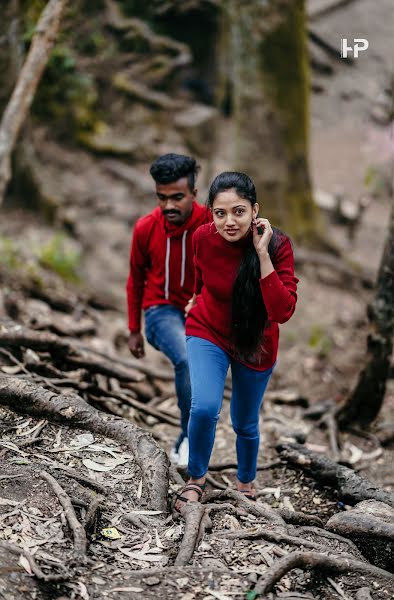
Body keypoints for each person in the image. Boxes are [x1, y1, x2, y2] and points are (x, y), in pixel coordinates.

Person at [175, 171, 298, 509]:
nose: (229, 221)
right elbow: (203, 275)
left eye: (239, 211)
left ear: (255, 210)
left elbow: (282, 310)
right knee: (204, 407)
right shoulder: (201, 237)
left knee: (244, 421)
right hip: (208, 330)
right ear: (210, 212)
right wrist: (196, 297)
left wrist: (262, 255)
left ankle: (245, 482)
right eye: (220, 213)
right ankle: (196, 478)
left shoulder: (277, 245)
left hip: (255, 344)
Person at [126, 153, 209, 466]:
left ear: (193, 194)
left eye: (177, 197)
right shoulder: (146, 227)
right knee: (187, 359)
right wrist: (134, 329)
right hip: (160, 312)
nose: (169, 206)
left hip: (201, 312)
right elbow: (135, 280)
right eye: (162, 198)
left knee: (204, 372)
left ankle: (194, 439)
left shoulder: (211, 224)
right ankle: (188, 438)